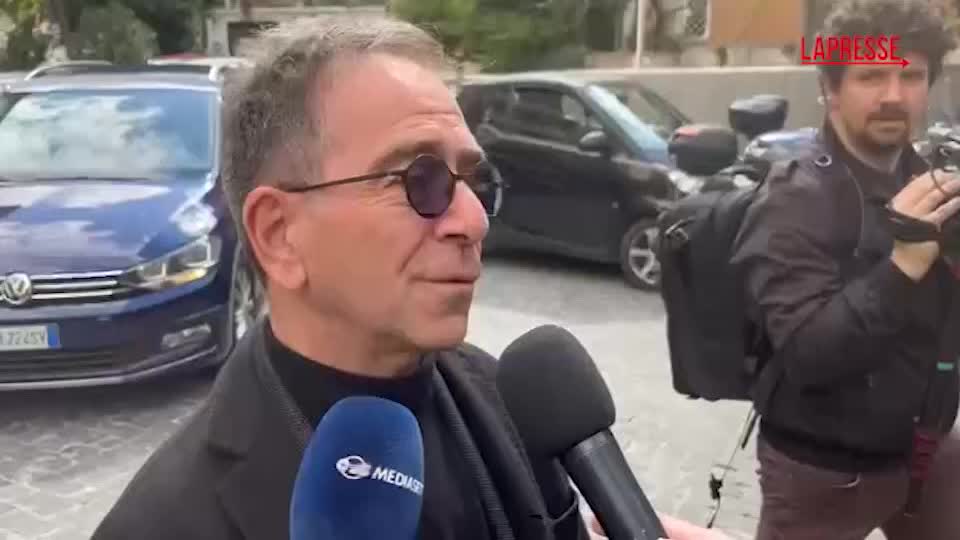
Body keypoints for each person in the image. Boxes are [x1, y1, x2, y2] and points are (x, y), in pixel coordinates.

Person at [91, 15, 725, 540]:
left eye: (473, 181)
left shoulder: (515, 403)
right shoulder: (166, 522)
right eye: (421, 181)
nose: (473, 220)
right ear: (280, 234)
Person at [730, 0, 960, 538]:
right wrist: (902, 266)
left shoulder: (931, 180)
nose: (893, 95)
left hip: (926, 449)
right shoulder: (794, 196)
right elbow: (810, 354)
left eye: (911, 76)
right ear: (830, 90)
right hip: (824, 473)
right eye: (871, 76)